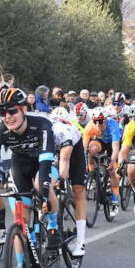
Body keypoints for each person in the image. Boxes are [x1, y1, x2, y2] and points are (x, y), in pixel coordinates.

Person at [0, 88, 60, 268]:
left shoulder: (42, 125)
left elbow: (45, 163)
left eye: (12, 111)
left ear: (24, 109)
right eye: (2, 113)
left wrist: (43, 192)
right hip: (20, 165)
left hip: (44, 162)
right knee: (20, 219)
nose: (7, 117)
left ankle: (53, 227)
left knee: (40, 183)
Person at [49, 107, 88, 257]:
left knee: (78, 190)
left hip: (74, 147)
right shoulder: (44, 130)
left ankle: (80, 242)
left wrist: (61, 179)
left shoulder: (64, 131)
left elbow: (65, 159)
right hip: (54, 149)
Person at [81, 106, 123, 215]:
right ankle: (94, 175)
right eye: (95, 121)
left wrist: (112, 161)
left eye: (100, 121)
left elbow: (115, 148)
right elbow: (83, 148)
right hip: (101, 142)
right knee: (91, 150)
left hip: (113, 145)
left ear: (105, 119)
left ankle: (114, 201)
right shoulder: (90, 127)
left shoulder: (113, 125)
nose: (98, 124)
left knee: (112, 171)